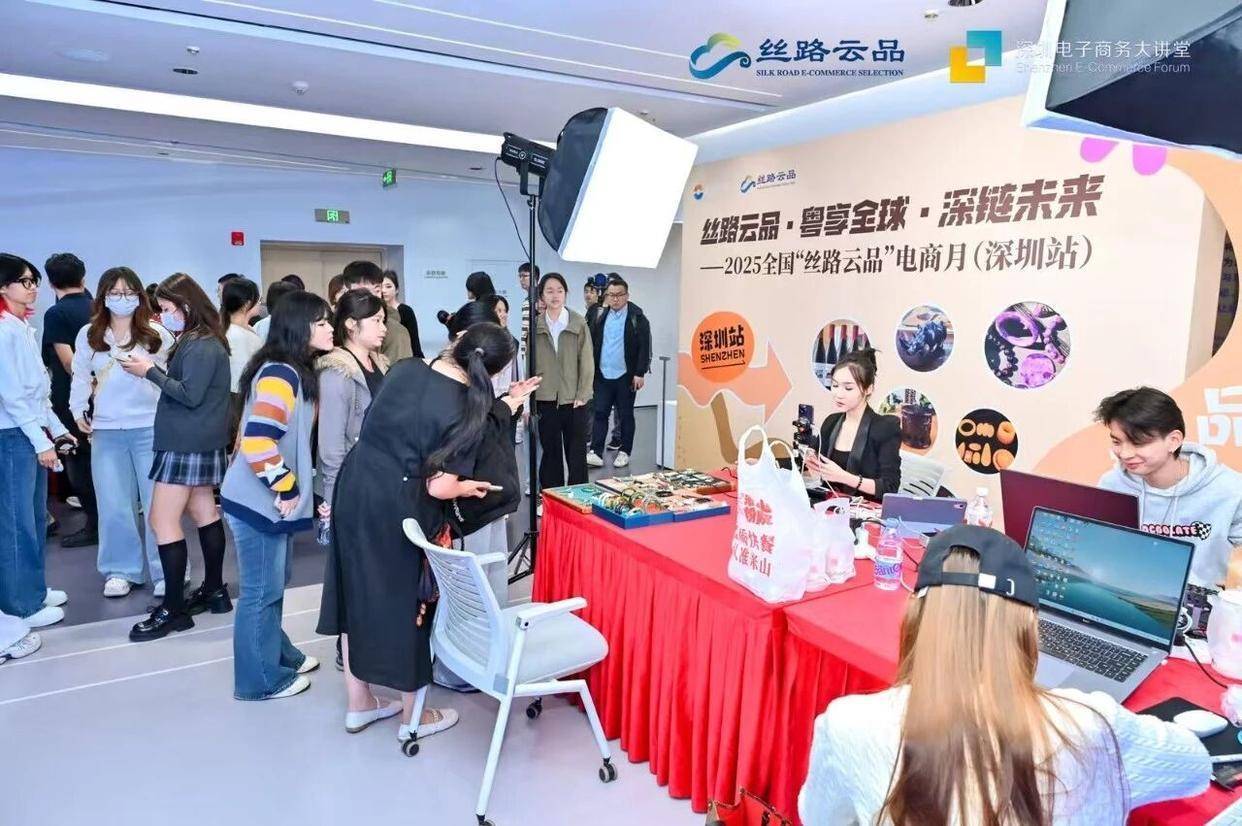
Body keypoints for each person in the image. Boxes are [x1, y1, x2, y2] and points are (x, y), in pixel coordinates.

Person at [799, 526, 1211, 825]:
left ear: (918, 619)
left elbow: (819, 817)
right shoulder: (1091, 723)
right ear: (1028, 628)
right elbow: (1193, 767)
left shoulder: (848, 723)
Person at [317, 319, 529, 742]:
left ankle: (360, 704)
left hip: (356, 485)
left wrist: (504, 403)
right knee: (409, 606)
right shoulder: (467, 409)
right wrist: (469, 486)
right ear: (497, 371)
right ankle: (415, 715)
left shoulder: (406, 368)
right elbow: (439, 486)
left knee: (353, 591)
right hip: (400, 504)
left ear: (459, 342)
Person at [221, 291, 333, 700]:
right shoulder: (280, 375)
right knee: (260, 590)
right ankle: (259, 680)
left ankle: (277, 654)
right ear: (299, 328)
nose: (331, 329)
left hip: (268, 500)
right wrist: (286, 486)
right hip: (258, 502)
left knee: (273, 584)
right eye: (322, 323)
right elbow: (257, 442)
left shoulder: (292, 370)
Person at [121, 273, 232, 642]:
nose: (164, 315)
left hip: (185, 440)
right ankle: (214, 590)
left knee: (161, 519)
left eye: (167, 308)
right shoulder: (203, 340)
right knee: (204, 512)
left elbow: (189, 394)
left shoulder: (201, 344)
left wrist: (148, 372)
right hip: (198, 438)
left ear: (186, 305)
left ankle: (174, 609)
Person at [69, 266, 175, 598]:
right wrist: (77, 409)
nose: (122, 299)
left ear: (140, 297)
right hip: (106, 430)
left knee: (158, 504)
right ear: (103, 297)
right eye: (115, 293)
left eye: (129, 293)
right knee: (114, 504)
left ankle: (167, 570)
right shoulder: (90, 335)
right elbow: (80, 376)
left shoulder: (157, 335)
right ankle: (120, 569)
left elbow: (172, 380)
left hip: (150, 428)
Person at [1096, 387, 1242, 587]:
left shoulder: (1230, 490)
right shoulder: (1112, 484)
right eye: (1117, 442)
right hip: (1125, 593)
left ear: (1173, 441)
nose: (1125, 453)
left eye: (1138, 443)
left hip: (1199, 601)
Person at [0, 254, 73, 628]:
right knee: (17, 524)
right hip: (12, 435)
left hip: (28, 431)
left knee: (32, 518)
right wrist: (41, 441)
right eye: (25, 281)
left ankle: (34, 590)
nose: (33, 288)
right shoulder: (3, 331)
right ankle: (21, 605)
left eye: (34, 281)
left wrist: (57, 429)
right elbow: (11, 397)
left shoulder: (21, 327)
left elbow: (37, 393)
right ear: (3, 287)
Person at [316, 289, 389, 522]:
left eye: (383, 321)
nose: (383, 328)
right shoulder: (337, 372)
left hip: (377, 476)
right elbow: (331, 446)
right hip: (352, 481)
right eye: (376, 321)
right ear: (350, 324)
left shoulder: (379, 363)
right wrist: (333, 496)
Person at [42, 252, 97, 548]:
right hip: (102, 397)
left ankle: (94, 526)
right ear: (83, 278)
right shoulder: (97, 307)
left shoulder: (56, 314)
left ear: (51, 283)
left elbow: (67, 362)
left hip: (72, 400)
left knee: (78, 463)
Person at [803, 348, 901, 503]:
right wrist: (810, 461)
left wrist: (844, 477)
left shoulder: (885, 428)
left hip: (866, 511)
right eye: (835, 385)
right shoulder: (831, 422)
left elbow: (889, 487)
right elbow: (814, 463)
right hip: (830, 507)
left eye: (848, 388)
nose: (838, 394)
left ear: (868, 389)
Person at [533, 272, 594, 492]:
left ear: (566, 294)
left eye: (559, 290)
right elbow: (529, 362)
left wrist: (583, 393)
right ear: (541, 296)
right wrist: (530, 397)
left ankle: (579, 497)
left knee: (576, 453)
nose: (555, 295)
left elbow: (587, 360)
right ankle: (552, 497)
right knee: (550, 453)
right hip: (545, 397)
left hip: (574, 399)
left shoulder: (578, 322)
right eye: (549, 291)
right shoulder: (536, 325)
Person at [587, 275, 651, 471]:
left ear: (627, 295)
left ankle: (625, 451)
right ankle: (596, 452)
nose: (615, 299)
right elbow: (593, 343)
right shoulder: (601, 315)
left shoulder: (637, 318)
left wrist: (640, 373)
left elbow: (644, 347)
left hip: (626, 376)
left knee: (625, 415)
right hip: (603, 375)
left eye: (619, 295)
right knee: (600, 413)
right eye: (611, 295)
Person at [342, 260, 412, 363]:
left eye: (377, 291)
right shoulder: (331, 323)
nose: (373, 298)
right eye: (364, 292)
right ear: (347, 291)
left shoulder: (394, 332)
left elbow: (400, 371)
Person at [221, 278, 263, 443]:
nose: (260, 304)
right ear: (247, 304)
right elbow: (239, 382)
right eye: (258, 300)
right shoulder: (237, 335)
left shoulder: (240, 330)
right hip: (239, 406)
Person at [381, 269, 423, 359]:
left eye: (388, 287)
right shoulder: (377, 311)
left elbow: (414, 341)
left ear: (397, 289)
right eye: (380, 287)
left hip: (404, 357)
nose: (383, 290)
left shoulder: (406, 311)